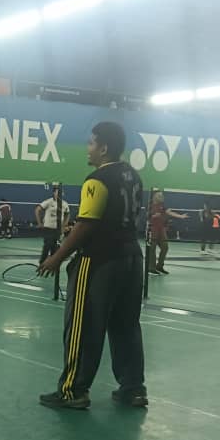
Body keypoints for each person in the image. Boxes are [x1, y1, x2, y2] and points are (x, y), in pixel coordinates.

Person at [37, 122, 146, 409]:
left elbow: (87, 225)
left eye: (91, 143)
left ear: (104, 148)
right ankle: (133, 389)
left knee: (82, 326)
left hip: (99, 260)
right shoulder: (134, 176)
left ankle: (73, 391)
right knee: (126, 326)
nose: (88, 149)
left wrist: (57, 257)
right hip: (132, 258)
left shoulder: (97, 179)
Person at [147, 191, 188, 275]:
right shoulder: (150, 206)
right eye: (159, 195)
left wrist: (181, 216)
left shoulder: (162, 206)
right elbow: (147, 217)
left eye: (162, 195)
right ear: (154, 196)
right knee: (152, 249)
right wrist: (154, 216)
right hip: (153, 229)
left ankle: (159, 266)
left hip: (161, 230)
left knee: (165, 247)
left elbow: (169, 212)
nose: (162, 197)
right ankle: (151, 268)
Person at [35, 186, 72, 264]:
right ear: (54, 193)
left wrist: (64, 225)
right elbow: (37, 210)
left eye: (61, 193)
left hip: (58, 230)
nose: (59, 194)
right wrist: (39, 223)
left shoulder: (65, 204)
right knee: (47, 246)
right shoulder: (49, 202)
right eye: (57, 192)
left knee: (55, 248)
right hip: (48, 229)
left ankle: (53, 264)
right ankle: (42, 263)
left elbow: (67, 214)